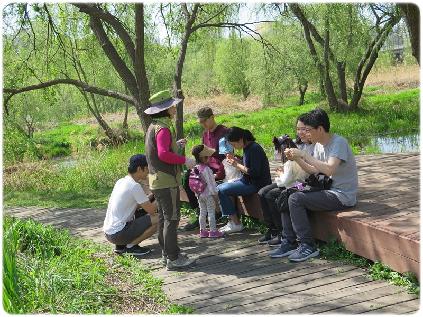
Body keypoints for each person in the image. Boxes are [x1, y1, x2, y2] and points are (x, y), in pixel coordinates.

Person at [272, 108, 358, 262]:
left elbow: (329, 168)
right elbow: (313, 170)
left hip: (341, 194)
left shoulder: (339, 142)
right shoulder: (318, 145)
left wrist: (304, 154)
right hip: (324, 189)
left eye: (308, 130)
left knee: (296, 199)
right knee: (288, 193)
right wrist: (297, 159)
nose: (306, 133)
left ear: (320, 128)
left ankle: (308, 245)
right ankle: (289, 241)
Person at [144, 90, 197, 270]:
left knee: (165, 218)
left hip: (157, 181)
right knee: (172, 219)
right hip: (166, 181)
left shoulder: (155, 126)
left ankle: (167, 254)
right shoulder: (164, 129)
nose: (174, 107)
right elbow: (163, 154)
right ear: (165, 109)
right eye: (172, 105)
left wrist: (177, 146)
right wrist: (185, 160)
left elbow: (163, 150)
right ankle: (173, 259)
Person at [258, 114, 314, 247]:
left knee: (276, 194)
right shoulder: (299, 144)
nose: (301, 133)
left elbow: (305, 172)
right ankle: (274, 229)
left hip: (303, 183)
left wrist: (281, 176)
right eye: (298, 129)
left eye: (305, 130)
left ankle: (284, 233)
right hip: (295, 180)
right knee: (263, 192)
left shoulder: (314, 146)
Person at [182, 106, 229, 231]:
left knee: (201, 178)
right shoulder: (205, 134)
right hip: (207, 167)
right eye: (200, 122)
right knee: (188, 177)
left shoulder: (224, 132)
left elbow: (227, 156)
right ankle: (200, 212)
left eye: (204, 121)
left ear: (212, 117)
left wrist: (218, 173)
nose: (202, 124)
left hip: (221, 168)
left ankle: (215, 212)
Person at [217, 127, 272, 234]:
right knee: (221, 186)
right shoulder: (247, 147)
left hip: (256, 183)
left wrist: (236, 165)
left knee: (222, 189)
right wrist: (238, 160)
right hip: (247, 180)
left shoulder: (254, 148)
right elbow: (248, 165)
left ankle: (236, 223)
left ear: (241, 139)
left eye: (233, 144)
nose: (234, 147)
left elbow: (254, 172)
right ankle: (232, 221)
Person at [103, 154, 158, 256]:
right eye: (146, 169)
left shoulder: (121, 181)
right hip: (117, 234)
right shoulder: (134, 186)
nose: (148, 172)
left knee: (141, 215)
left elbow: (136, 205)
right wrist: (163, 197)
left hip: (109, 233)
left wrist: (152, 195)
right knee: (158, 219)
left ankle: (121, 246)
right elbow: (151, 210)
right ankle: (131, 247)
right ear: (139, 169)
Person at [190, 144, 225, 238]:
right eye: (208, 157)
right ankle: (213, 231)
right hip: (209, 195)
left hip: (199, 195)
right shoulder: (207, 169)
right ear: (204, 158)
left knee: (202, 212)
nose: (210, 158)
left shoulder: (195, 168)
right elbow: (211, 184)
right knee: (211, 212)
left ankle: (203, 231)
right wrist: (216, 196)